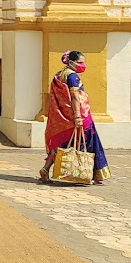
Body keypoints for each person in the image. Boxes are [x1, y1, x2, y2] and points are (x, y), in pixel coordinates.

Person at [40, 50, 111, 185]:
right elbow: (74, 96)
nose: (83, 65)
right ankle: (96, 174)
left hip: (63, 117)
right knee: (90, 141)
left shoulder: (60, 74)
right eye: (80, 62)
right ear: (71, 62)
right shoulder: (72, 76)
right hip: (79, 116)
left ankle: (45, 169)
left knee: (63, 144)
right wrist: (78, 115)